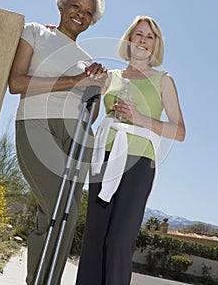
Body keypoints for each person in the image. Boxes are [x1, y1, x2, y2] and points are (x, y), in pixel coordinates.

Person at [8, 0, 107, 285]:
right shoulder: (36, 32)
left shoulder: (87, 60)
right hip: (36, 125)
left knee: (67, 216)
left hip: (75, 135)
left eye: (88, 12)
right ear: (62, 6)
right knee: (55, 207)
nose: (80, 14)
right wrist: (74, 81)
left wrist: (97, 89)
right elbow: (17, 83)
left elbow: (90, 115)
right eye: (75, 6)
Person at [75, 15, 186, 285]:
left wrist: (139, 118)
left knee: (120, 238)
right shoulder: (110, 77)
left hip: (138, 162)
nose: (143, 40)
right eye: (138, 34)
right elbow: (90, 113)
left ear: (155, 44)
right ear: (129, 39)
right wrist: (91, 86)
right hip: (104, 157)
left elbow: (179, 131)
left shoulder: (163, 80)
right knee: (95, 236)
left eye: (149, 36)